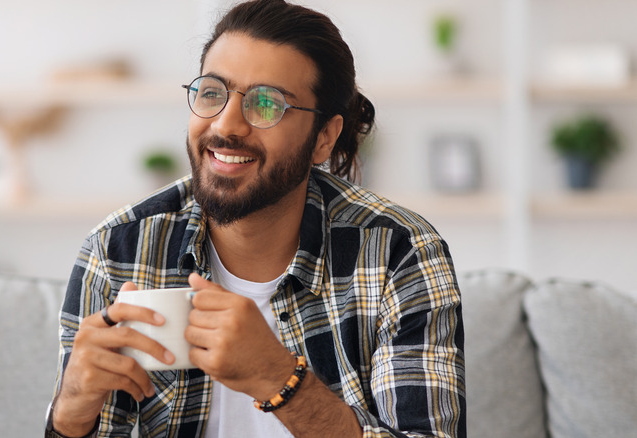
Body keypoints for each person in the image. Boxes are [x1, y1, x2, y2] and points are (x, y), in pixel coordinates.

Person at [46, 1, 466, 437]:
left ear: (324, 138)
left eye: (267, 104)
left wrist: (277, 378)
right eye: (212, 92)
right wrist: (71, 413)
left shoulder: (398, 251)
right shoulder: (120, 248)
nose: (226, 125)